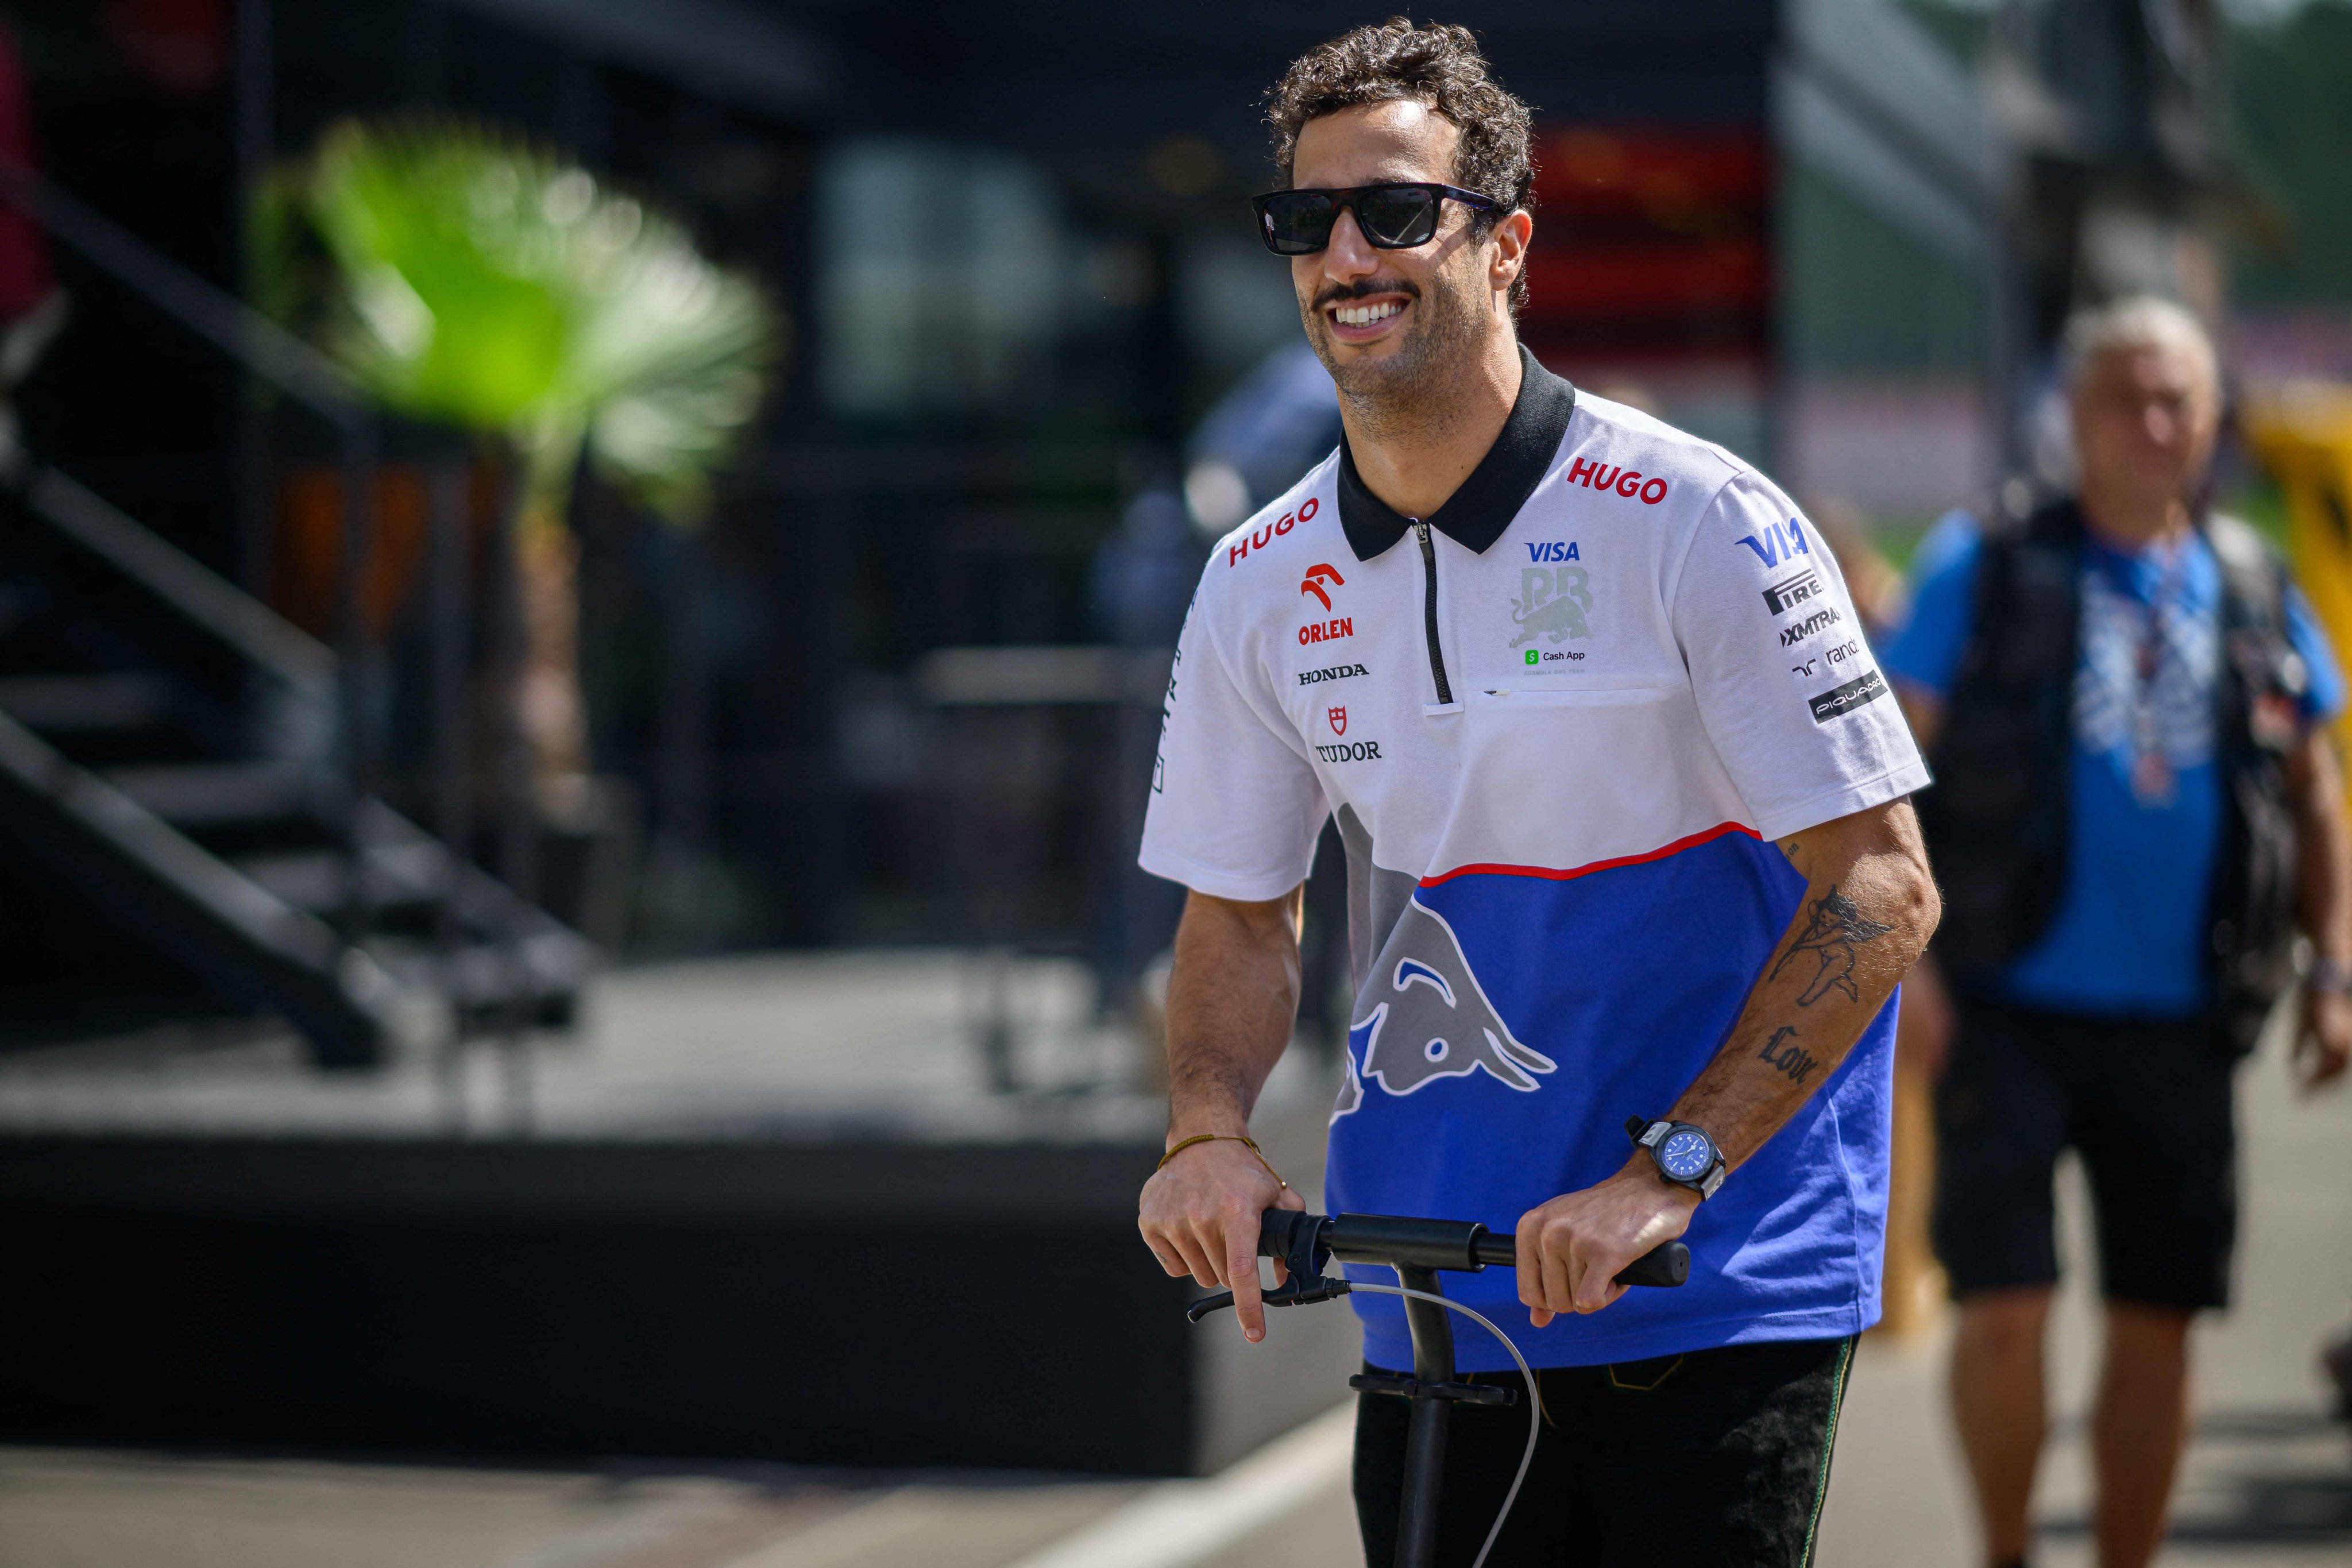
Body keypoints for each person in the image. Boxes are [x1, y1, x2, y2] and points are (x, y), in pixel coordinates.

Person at [1132, 20, 1939, 1567]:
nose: (1343, 254)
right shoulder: (1256, 578)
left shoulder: (1700, 518)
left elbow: (1885, 886)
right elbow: (1239, 908)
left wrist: (1669, 1173)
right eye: (1306, 223)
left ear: (1506, 244)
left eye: (1393, 212)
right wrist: (1208, 1130)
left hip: (1706, 1280)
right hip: (1429, 1290)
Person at [1882, 295, 2352, 1568]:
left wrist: (2334, 969)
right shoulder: (1978, 562)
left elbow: (2312, 788)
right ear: (2072, 417)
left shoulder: (2250, 582)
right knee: (2001, 1312)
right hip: (2002, 1000)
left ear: (2209, 424)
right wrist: (1900, 968)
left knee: (2157, 1320)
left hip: (2185, 1016)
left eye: (2177, 402)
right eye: (2124, 399)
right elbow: (1878, 770)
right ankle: (2003, 1555)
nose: (2153, 425)